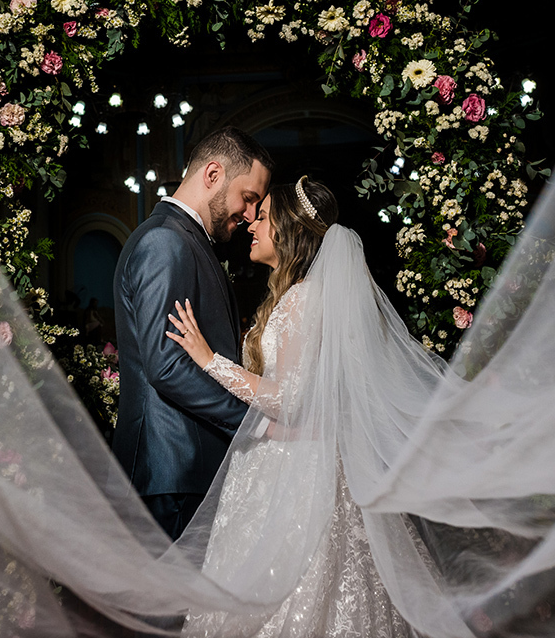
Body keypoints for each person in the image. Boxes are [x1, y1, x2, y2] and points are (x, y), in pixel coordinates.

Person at [167, 177, 438, 637]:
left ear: (288, 232)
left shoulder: (300, 301)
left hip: (292, 470)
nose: (251, 222)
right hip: (308, 461)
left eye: (264, 216)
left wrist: (209, 361)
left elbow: (289, 399)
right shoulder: (312, 298)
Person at [111, 126, 274, 540]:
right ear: (213, 174)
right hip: (172, 470)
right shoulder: (165, 241)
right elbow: (166, 366)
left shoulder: (187, 240)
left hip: (186, 469)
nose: (250, 215)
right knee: (171, 603)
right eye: (248, 198)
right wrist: (255, 425)